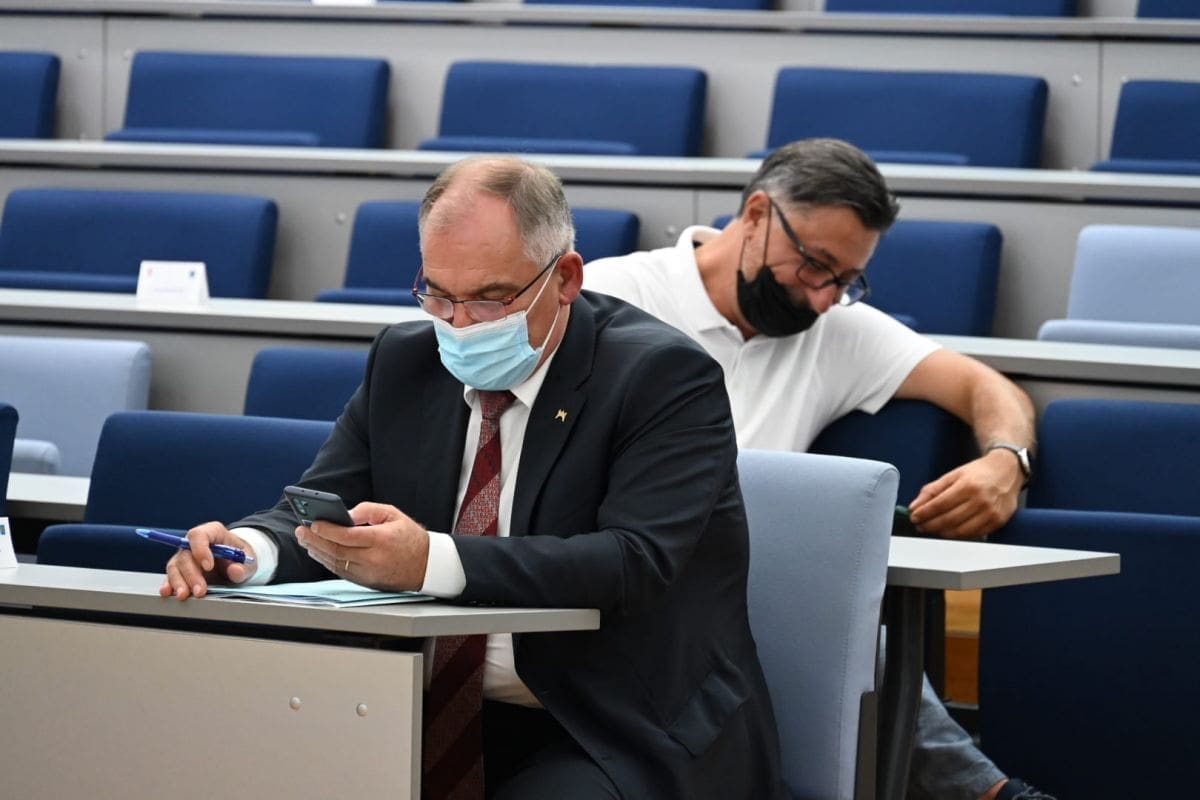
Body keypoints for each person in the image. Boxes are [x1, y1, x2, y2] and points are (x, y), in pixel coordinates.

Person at [160, 156, 786, 800]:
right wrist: (247, 551)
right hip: (412, 703)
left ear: (565, 278)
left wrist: (429, 562)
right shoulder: (406, 362)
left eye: (491, 298)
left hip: (611, 723)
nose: (459, 324)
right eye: (438, 294)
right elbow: (324, 511)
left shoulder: (663, 376)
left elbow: (633, 562)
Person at [582, 138, 1047, 800]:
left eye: (847, 280)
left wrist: (1006, 461)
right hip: (622, 575)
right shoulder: (614, 296)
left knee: (832, 612)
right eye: (815, 266)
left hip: (752, 596)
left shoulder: (831, 329)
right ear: (756, 214)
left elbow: (984, 388)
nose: (825, 297)